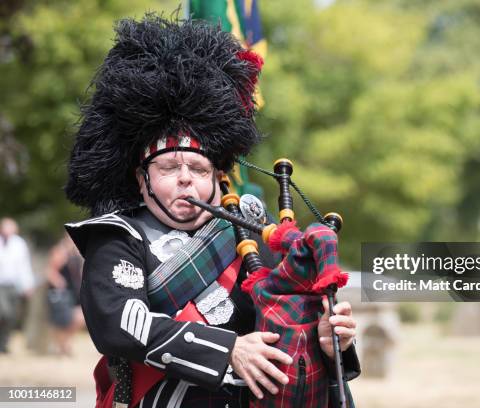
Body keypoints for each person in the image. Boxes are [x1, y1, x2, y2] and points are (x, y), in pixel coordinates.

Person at [64, 15, 359, 408]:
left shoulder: (256, 231)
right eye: (169, 168)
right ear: (141, 178)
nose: (186, 180)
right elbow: (119, 324)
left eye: (199, 169)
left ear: (217, 178)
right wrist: (227, 351)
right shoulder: (118, 237)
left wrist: (325, 338)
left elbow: (289, 323)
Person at [46, 233, 85, 355]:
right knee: (63, 321)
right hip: (63, 294)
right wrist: (59, 282)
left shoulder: (76, 252)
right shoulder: (60, 251)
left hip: (75, 291)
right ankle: (62, 346)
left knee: (80, 318)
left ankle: (63, 344)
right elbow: (49, 271)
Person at [0, 217, 35, 353]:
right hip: (0, 285)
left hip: (13, 285)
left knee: (11, 316)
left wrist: (28, 284)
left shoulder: (19, 244)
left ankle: (3, 343)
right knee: (4, 312)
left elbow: (24, 266)